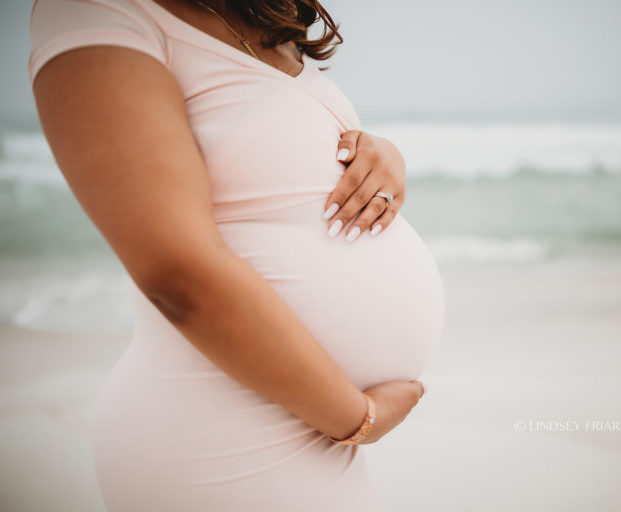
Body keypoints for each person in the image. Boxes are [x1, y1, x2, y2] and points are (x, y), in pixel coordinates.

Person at [28, 0, 446, 510]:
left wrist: (379, 155)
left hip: (311, 435)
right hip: (216, 440)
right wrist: (356, 418)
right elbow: (176, 272)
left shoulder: (260, 17)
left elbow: (269, 160)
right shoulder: (98, 13)